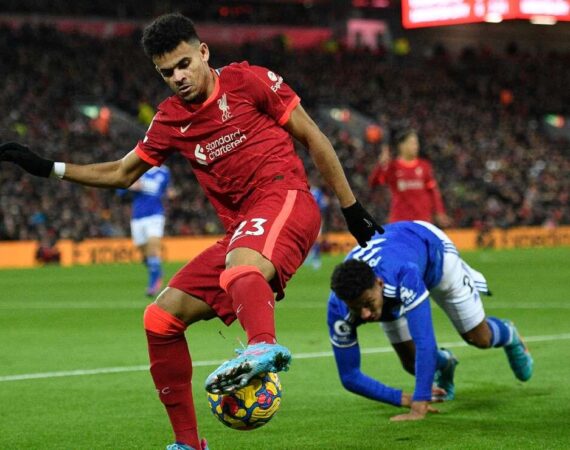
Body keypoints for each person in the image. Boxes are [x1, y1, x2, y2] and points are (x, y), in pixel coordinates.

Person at [0, 13, 382, 450]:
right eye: (167, 72)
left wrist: (352, 210)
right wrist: (49, 168)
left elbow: (314, 136)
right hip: (241, 230)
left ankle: (262, 347)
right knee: (160, 319)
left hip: (286, 199)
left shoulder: (249, 81)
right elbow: (123, 172)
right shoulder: (169, 120)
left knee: (239, 267)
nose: (178, 77)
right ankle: (188, 444)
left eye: (184, 64)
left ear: (203, 52)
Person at [328, 220, 533, 422]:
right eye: (355, 307)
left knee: (479, 338)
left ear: (379, 284)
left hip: (434, 254)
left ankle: (508, 333)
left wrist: (420, 402)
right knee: (412, 364)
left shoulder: (404, 274)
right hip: (396, 259)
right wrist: (402, 398)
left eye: (368, 303)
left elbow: (425, 341)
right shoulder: (338, 306)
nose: (364, 314)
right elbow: (349, 376)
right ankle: (445, 362)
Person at [368, 129, 452, 226]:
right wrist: (381, 165)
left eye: (416, 143)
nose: (416, 146)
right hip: (400, 220)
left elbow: (433, 191)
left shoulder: (424, 166)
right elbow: (374, 182)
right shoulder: (393, 166)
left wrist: (439, 211)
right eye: (412, 143)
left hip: (422, 220)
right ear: (401, 145)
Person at [118, 165, 172, 297]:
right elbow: (120, 190)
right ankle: (157, 271)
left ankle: (153, 283)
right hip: (137, 217)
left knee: (153, 249)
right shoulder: (138, 168)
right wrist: (131, 187)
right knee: (144, 255)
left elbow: (166, 191)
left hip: (155, 215)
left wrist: (170, 194)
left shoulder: (164, 172)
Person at [304, 183, 329, 270]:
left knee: (310, 240)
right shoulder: (318, 193)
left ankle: (313, 259)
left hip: (307, 219)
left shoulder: (308, 191)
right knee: (315, 240)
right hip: (316, 219)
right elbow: (324, 206)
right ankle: (315, 260)